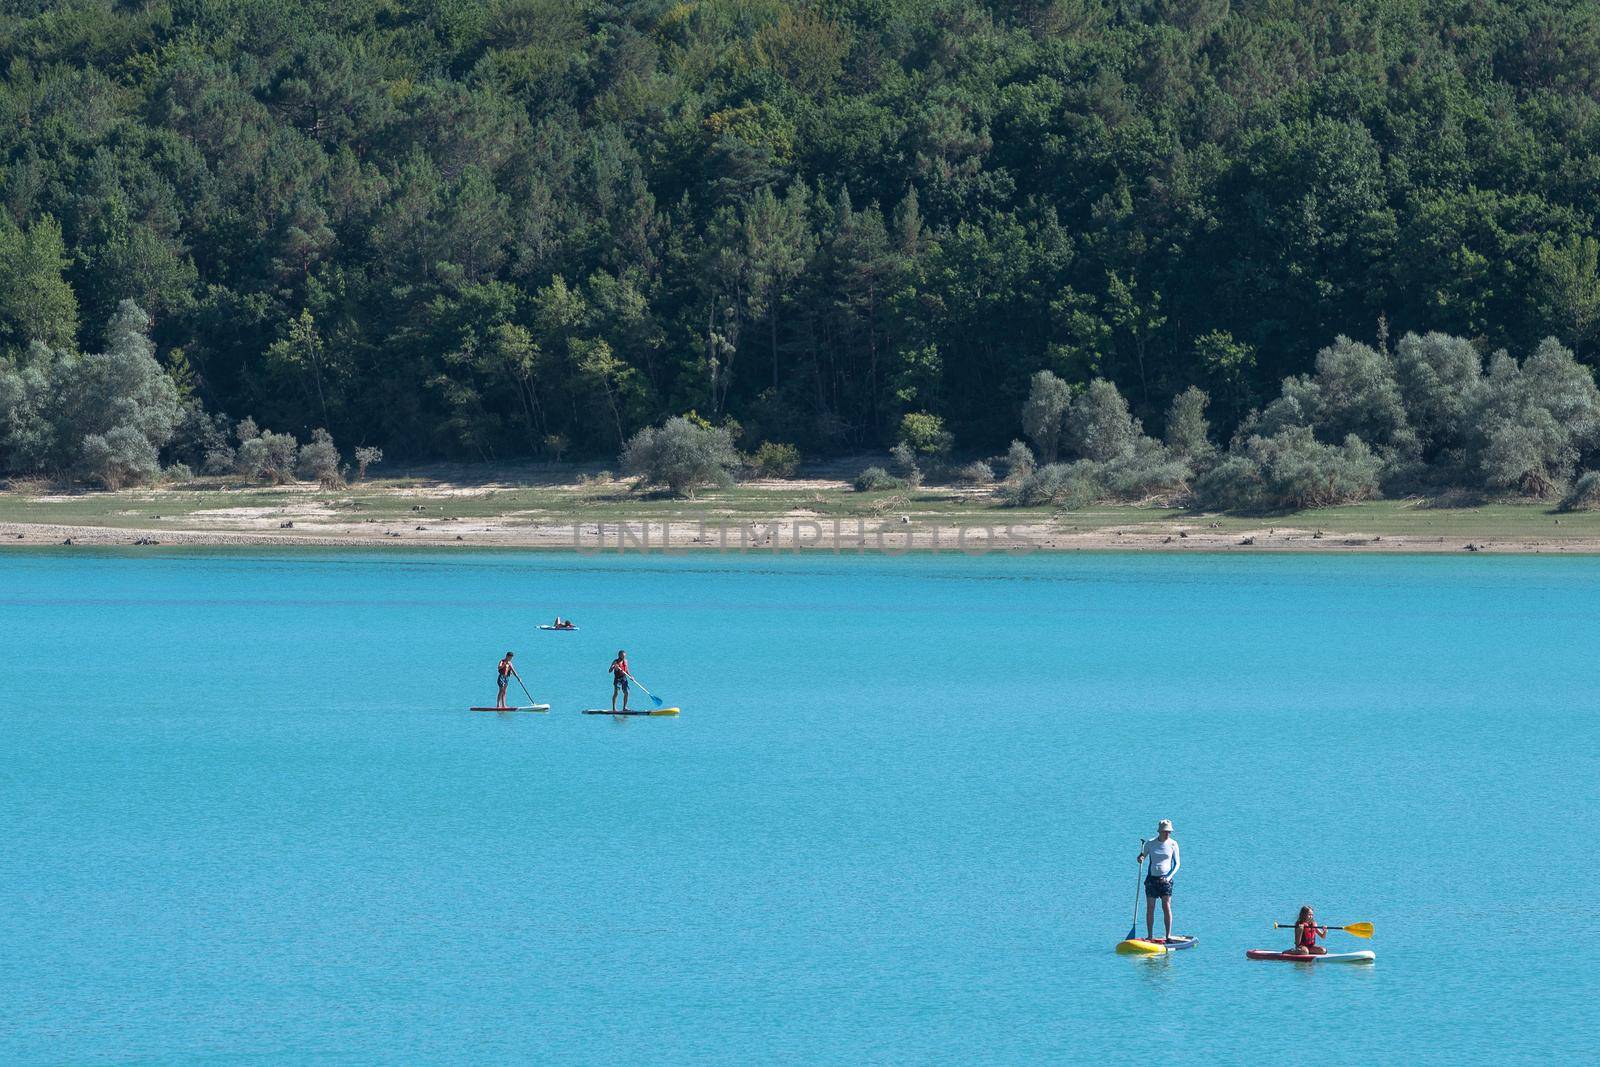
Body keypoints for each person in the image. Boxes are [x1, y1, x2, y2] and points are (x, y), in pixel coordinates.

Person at [1137, 819, 1181, 941]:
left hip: (1166, 881)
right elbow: (1142, 856)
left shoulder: (1173, 844)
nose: (1168, 834)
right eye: (1165, 831)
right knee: (1150, 907)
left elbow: (1177, 864)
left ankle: (1168, 935)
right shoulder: (1150, 843)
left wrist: (1168, 878)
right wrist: (1140, 858)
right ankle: (1150, 936)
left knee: (1166, 906)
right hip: (1152, 879)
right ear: (1160, 831)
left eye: (1169, 832)